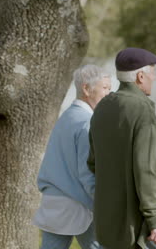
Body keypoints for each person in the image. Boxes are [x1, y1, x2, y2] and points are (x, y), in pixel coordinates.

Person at [87, 48, 156, 249]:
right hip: (138, 222)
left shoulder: (102, 107)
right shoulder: (143, 111)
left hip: (107, 218)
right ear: (140, 77)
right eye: (153, 73)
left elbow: (93, 162)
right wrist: (155, 219)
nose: (154, 78)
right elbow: (146, 171)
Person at [33, 65, 112, 249]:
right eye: (105, 88)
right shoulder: (86, 124)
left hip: (53, 205)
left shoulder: (66, 117)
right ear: (86, 89)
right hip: (78, 207)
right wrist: (105, 205)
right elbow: (88, 174)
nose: (109, 93)